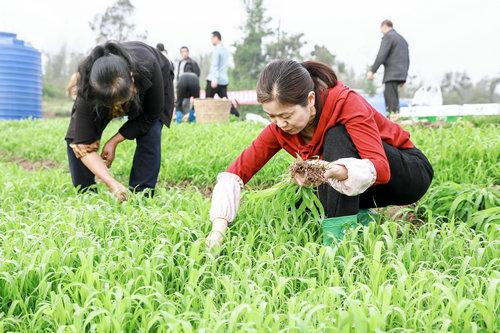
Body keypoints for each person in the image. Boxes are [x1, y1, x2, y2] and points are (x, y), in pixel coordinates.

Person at [206, 60, 433, 248]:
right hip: (363, 184)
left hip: (408, 173)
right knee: (296, 201)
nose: (280, 124)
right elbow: (236, 173)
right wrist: (217, 231)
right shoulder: (279, 129)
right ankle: (362, 224)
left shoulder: (345, 102)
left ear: (310, 100)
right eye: (272, 117)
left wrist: (335, 171)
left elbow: (380, 169)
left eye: (287, 115)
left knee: (336, 135)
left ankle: (338, 249)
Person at [65, 41, 175, 200]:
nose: (118, 108)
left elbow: (150, 115)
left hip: (154, 79)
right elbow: (81, 144)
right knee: (75, 137)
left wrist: (114, 141)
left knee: (150, 132)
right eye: (113, 105)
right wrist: (112, 183)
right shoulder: (88, 89)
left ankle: (141, 196)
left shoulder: (148, 66)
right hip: (106, 91)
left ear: (131, 78)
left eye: (123, 101)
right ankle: (87, 196)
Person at [367, 20, 409, 114]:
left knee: (390, 99)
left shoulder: (389, 37)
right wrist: (404, 77)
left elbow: (381, 55)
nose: (381, 32)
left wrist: (372, 71)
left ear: (384, 26)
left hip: (392, 74)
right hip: (400, 73)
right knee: (394, 97)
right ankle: (395, 118)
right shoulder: (402, 40)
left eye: (381, 29)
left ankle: (392, 121)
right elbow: (407, 59)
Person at [205, 31, 239, 117]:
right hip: (223, 80)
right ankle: (236, 115)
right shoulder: (225, 50)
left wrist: (214, 79)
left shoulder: (217, 49)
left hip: (214, 80)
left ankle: (207, 118)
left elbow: (215, 65)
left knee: (208, 101)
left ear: (216, 38)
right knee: (226, 101)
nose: (211, 40)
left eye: (212, 38)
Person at [175, 46, 201, 123]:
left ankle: (180, 120)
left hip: (190, 81)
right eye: (182, 52)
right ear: (180, 53)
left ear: (188, 52)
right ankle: (191, 119)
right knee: (195, 100)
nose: (184, 53)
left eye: (185, 51)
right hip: (183, 82)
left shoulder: (193, 62)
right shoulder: (180, 62)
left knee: (180, 101)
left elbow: (197, 73)